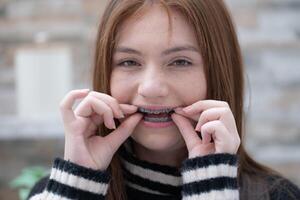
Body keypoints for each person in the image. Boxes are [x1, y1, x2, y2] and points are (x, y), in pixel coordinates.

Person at [27, 0, 300, 200]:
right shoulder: (54, 192)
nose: (151, 88)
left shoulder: (276, 195)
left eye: (180, 61)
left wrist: (212, 187)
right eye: (129, 61)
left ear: (218, 71)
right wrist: (78, 185)